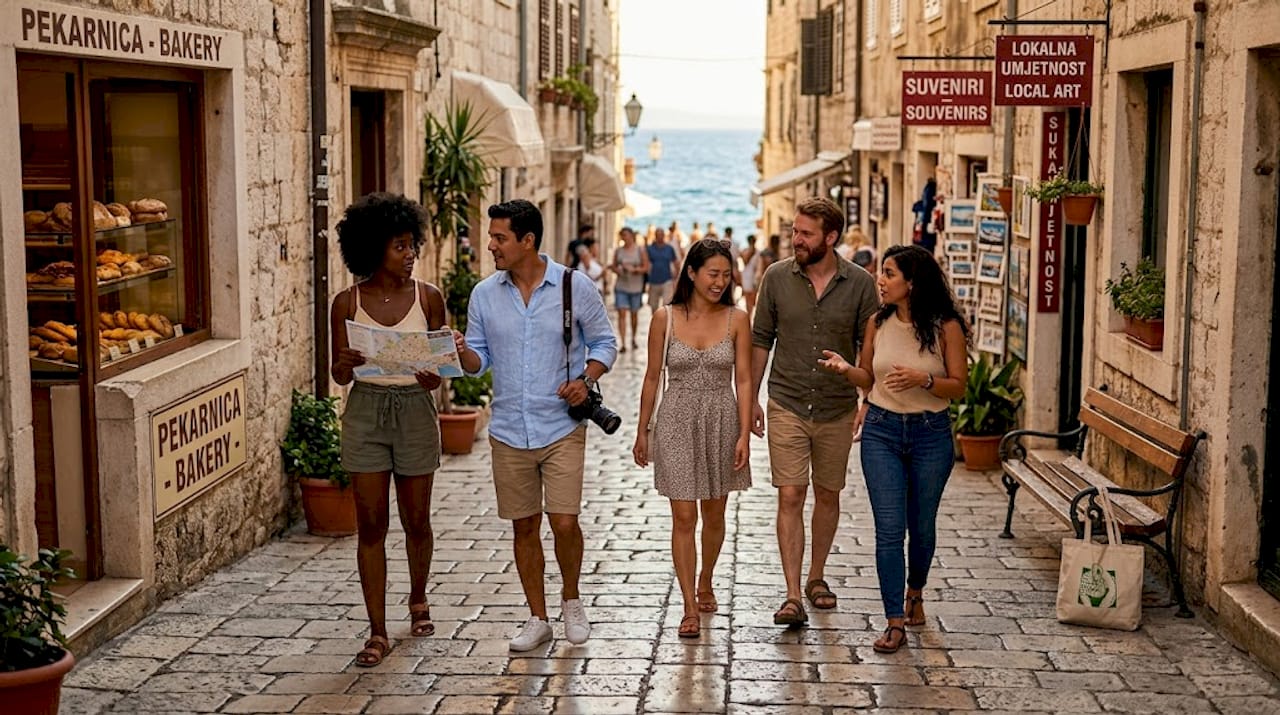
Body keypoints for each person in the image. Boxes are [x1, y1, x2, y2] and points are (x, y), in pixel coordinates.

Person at [454, 199, 618, 652]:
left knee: (564, 521)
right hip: (508, 428)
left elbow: (605, 342)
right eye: (491, 237)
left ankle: (571, 600)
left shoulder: (573, 286)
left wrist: (586, 380)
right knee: (523, 527)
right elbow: (477, 362)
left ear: (527, 241)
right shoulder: (484, 294)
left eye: (499, 238)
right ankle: (537, 617)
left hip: (561, 426)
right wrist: (462, 350)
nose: (491, 245)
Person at [817, 244, 968, 654]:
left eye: (888, 273)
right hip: (882, 431)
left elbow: (959, 385)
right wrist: (847, 371)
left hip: (930, 433)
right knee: (888, 529)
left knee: (921, 529)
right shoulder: (877, 322)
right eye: (881, 273)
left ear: (912, 282)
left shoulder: (945, 327)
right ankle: (894, 622)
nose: (879, 280)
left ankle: (914, 591)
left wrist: (924, 380)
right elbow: (867, 375)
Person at [329, 192, 447, 667]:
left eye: (411, 245)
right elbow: (338, 375)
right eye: (400, 246)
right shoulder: (346, 303)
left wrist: (431, 375)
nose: (410, 254)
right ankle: (377, 631)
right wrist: (344, 361)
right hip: (366, 412)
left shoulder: (430, 298)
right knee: (371, 525)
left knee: (417, 519)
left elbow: (441, 372)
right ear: (374, 249)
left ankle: (418, 598)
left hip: (415, 410)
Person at [750, 197, 879, 627]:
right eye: (794, 231)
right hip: (786, 400)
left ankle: (816, 577)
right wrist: (749, 398)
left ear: (831, 237)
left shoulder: (861, 284)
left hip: (837, 406)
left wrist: (866, 400)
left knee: (828, 493)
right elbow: (761, 340)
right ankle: (791, 595)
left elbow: (869, 349)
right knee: (790, 493)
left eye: (806, 233)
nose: (796, 239)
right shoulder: (775, 278)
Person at [633, 239, 753, 639]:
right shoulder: (664, 318)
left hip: (721, 417)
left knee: (714, 515)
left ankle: (706, 578)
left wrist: (744, 435)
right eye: (712, 274)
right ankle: (688, 605)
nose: (720, 281)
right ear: (692, 273)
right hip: (676, 420)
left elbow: (745, 378)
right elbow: (652, 377)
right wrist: (642, 430)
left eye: (726, 274)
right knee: (684, 516)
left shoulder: (737, 319)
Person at [611, 227, 650, 352]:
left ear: (631, 236)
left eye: (626, 235)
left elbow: (646, 267)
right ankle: (622, 343)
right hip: (621, 286)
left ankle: (633, 338)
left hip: (636, 287)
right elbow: (613, 266)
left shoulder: (640, 250)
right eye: (622, 236)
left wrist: (635, 270)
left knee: (634, 314)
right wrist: (618, 270)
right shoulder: (619, 251)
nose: (624, 238)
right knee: (621, 313)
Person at [645, 227, 680, 310]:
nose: (660, 237)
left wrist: (676, 275)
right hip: (653, 280)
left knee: (667, 305)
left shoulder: (669, 248)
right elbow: (646, 262)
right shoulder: (650, 248)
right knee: (654, 306)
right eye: (658, 235)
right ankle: (656, 321)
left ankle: (665, 322)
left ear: (664, 236)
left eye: (661, 235)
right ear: (655, 236)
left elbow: (675, 262)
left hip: (667, 279)